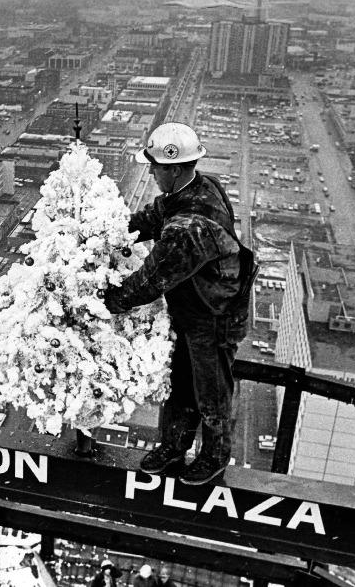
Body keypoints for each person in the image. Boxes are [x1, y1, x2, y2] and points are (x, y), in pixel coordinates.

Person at [104, 122, 255, 485]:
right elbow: (152, 217)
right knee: (180, 386)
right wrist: (112, 232)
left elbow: (145, 285)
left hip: (215, 315)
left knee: (211, 392)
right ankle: (173, 446)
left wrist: (101, 300)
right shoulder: (198, 188)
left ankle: (215, 457)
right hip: (193, 310)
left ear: (173, 168)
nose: (152, 173)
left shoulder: (188, 228)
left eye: (155, 167)